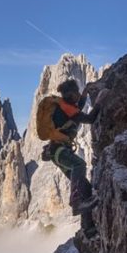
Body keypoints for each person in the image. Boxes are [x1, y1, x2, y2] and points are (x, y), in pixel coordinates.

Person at [38, 78, 99, 236]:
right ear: (71, 94)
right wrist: (101, 101)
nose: (78, 95)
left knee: (85, 187)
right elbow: (89, 119)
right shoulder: (67, 109)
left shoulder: (65, 108)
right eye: (77, 93)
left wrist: (85, 93)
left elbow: (78, 108)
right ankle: (76, 201)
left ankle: (88, 228)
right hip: (60, 151)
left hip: (57, 152)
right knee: (80, 165)